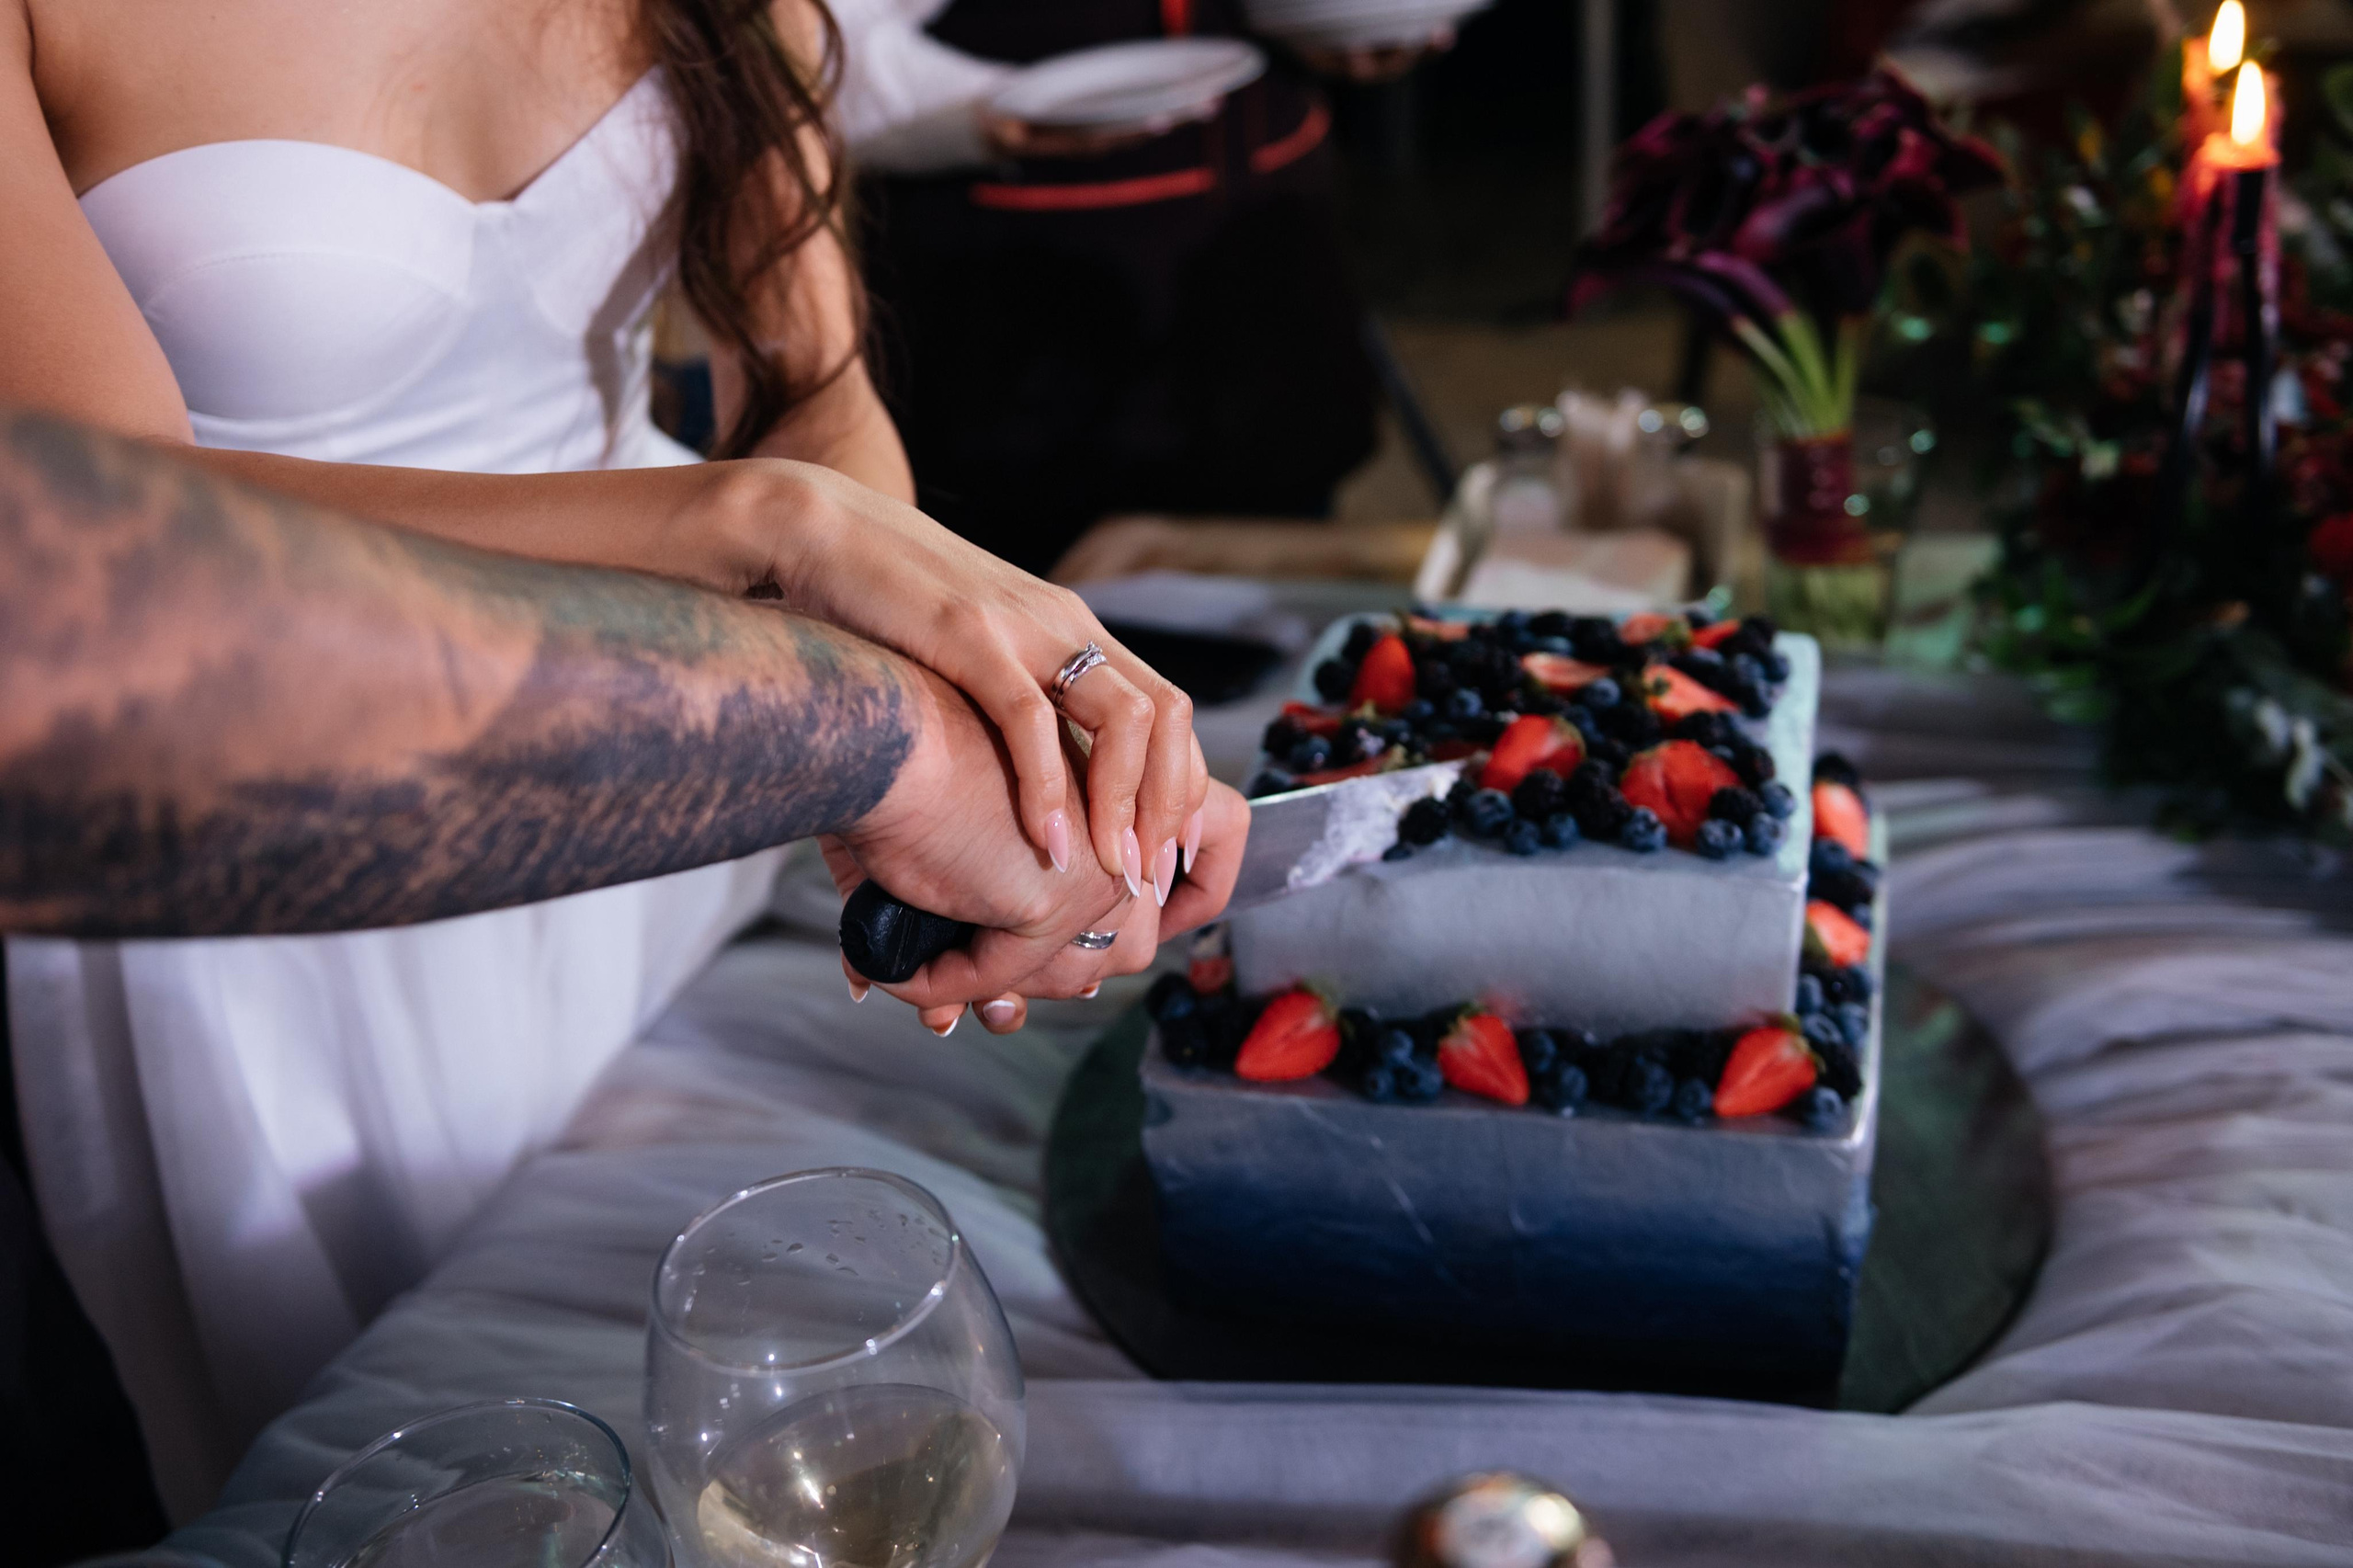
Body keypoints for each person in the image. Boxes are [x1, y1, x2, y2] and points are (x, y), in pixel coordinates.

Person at [0, 0, 1217, 1510]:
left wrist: (976, 743)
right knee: (436, 1470)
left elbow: (820, 398)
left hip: (686, 776)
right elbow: (115, 549)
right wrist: (758, 530)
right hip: (313, 831)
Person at [837, 0, 1404, 574]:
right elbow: (802, 61)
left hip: (1266, 305)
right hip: (1014, 342)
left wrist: (1338, 24)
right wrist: (975, 111)